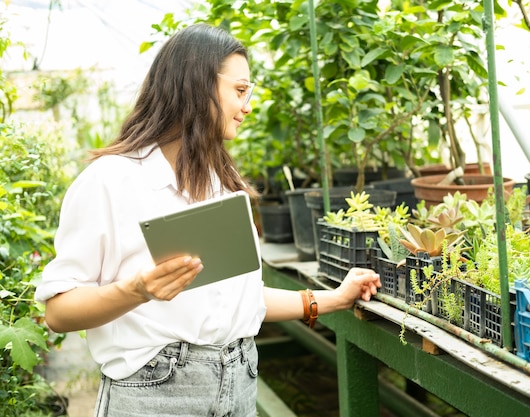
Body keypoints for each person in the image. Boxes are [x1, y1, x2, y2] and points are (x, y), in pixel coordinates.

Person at [34, 23, 381, 417]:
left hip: (239, 381)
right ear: (197, 84)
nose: (247, 105)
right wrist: (136, 290)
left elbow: (241, 303)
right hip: (156, 393)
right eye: (240, 90)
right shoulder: (110, 181)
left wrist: (333, 298)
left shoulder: (221, 185)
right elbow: (58, 312)